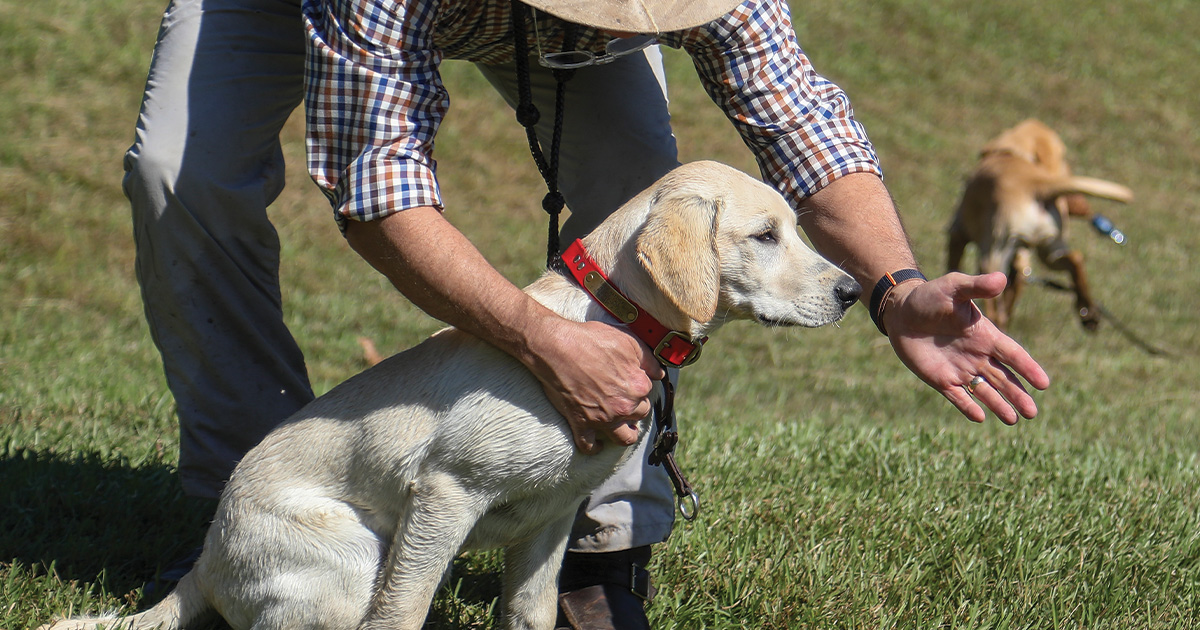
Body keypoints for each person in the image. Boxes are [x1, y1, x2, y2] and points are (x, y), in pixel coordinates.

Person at [124, 0, 1049, 627]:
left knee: (645, 201)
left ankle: (601, 550)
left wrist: (894, 288)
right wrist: (539, 337)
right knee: (182, 178)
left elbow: (798, 114)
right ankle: (254, 530)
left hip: (565, 39)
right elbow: (378, 186)